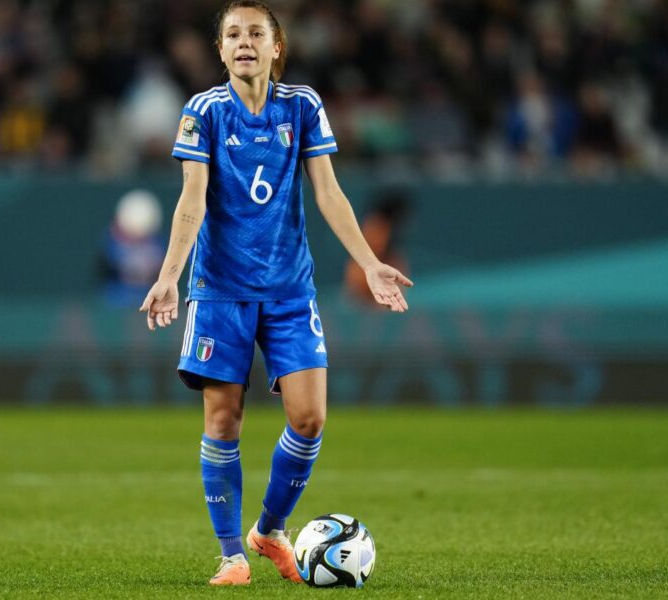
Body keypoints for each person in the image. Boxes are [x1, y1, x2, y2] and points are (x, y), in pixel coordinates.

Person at [139, 0, 412, 586]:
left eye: (256, 33)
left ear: (276, 46)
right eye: (233, 34)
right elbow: (191, 199)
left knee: (309, 418)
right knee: (224, 418)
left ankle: (268, 530)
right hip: (220, 290)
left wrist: (369, 263)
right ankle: (231, 555)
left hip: (290, 290)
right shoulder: (204, 112)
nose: (244, 42)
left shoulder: (302, 105)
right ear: (220, 49)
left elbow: (329, 193)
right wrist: (169, 275)